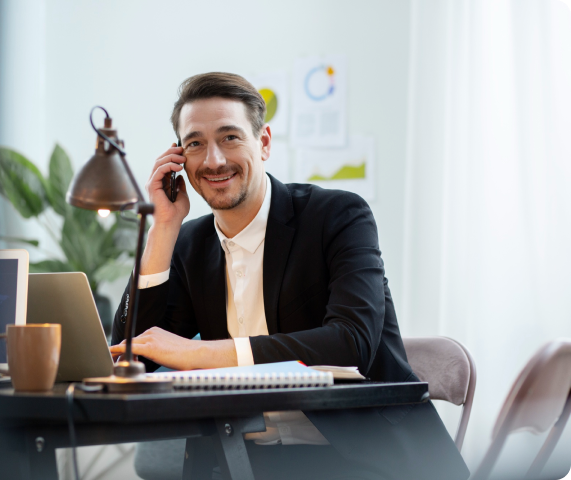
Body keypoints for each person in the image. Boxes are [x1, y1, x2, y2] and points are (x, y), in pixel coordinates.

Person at [111, 72, 469, 480]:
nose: (213, 160)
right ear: (180, 158)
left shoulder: (337, 216)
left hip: (364, 460)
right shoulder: (190, 244)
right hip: (241, 462)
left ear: (263, 143)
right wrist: (162, 230)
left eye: (230, 137)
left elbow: (352, 343)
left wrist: (199, 355)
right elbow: (130, 352)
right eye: (195, 143)